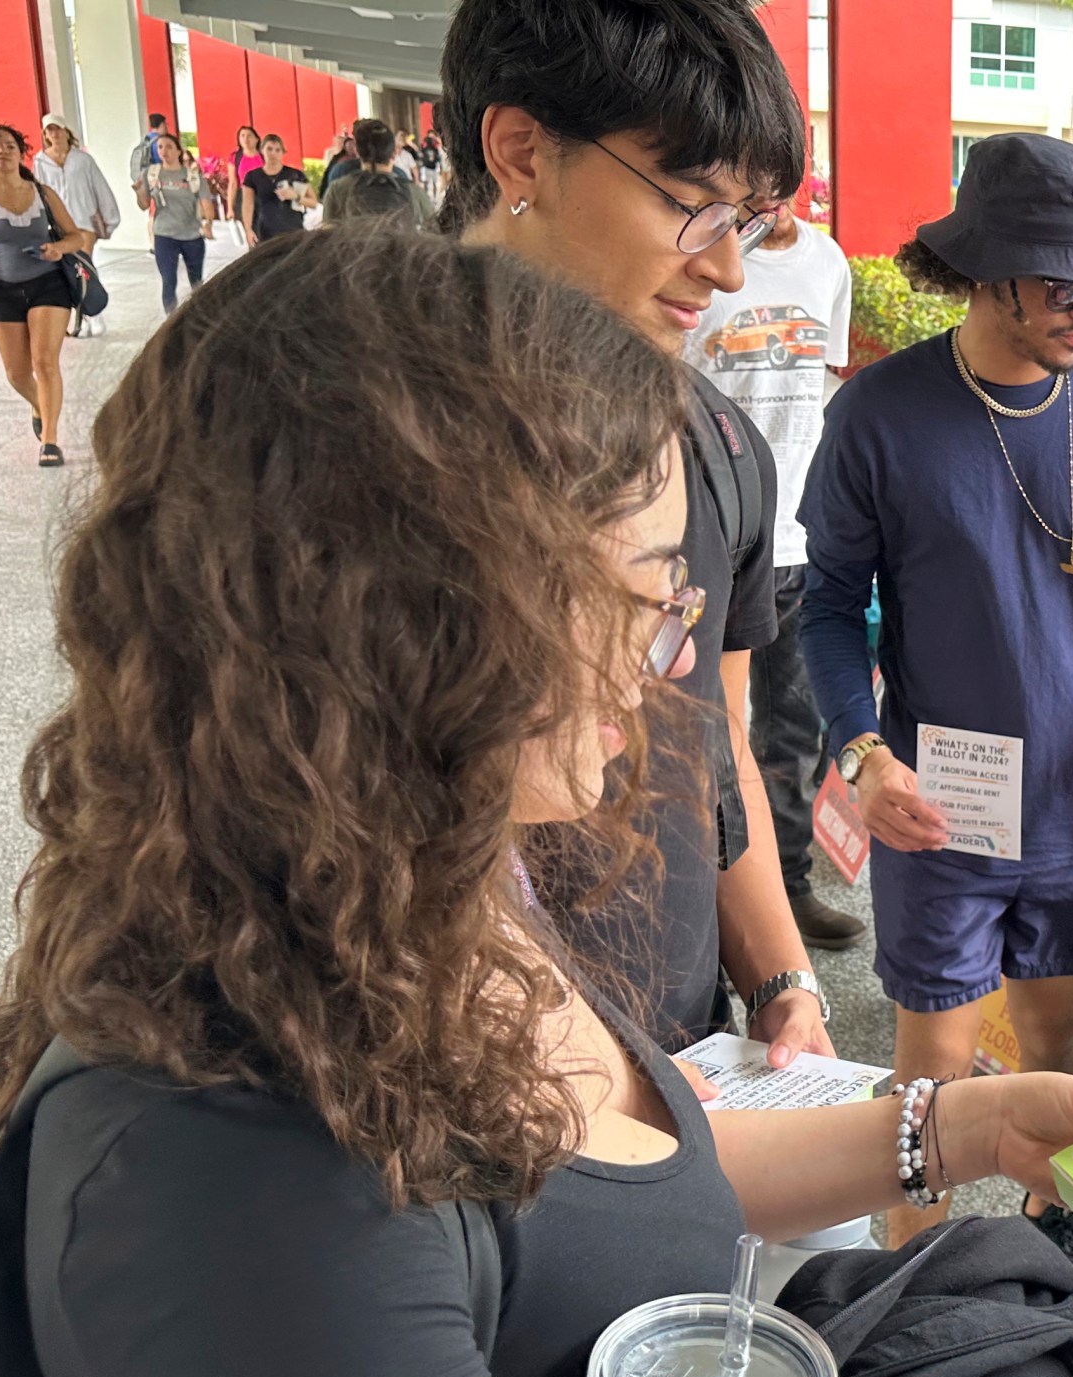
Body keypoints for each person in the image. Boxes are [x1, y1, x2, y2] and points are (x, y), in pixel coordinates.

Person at [0, 224, 1073, 1377]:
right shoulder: (239, 1189)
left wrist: (966, 1128)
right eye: (642, 595)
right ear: (409, 615)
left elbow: (620, 1167)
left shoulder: (408, 880)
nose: (668, 658)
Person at [800, 133, 1073, 1270]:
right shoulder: (879, 416)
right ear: (987, 273)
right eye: (1062, 281)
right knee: (927, 1087)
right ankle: (904, 1285)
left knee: (1055, 1045)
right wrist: (861, 753)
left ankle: (1049, 1255)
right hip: (942, 814)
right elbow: (828, 607)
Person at [437, 0, 834, 1064]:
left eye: (745, 219)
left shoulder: (715, 447)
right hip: (428, 1087)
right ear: (522, 150)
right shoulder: (341, 438)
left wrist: (782, 977)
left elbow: (712, 739)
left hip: (678, 1061)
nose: (728, 268)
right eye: (693, 205)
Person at [688, 194, 865, 949]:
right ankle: (703, 901)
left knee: (794, 736)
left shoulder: (828, 264)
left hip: (802, 537)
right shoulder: (697, 262)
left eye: (781, 185)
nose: (770, 206)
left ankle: (786, 890)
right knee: (703, 730)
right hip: (717, 538)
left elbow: (825, 384)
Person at [0, 122, 88, 466]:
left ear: (21, 152)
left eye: (10, 146)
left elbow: (77, 236)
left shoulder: (42, 193)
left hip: (49, 285)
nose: (3, 151)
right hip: (3, 290)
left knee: (44, 363)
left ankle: (50, 441)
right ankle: (39, 404)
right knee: (16, 373)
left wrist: (57, 248)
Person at [34, 114, 121, 338]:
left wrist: (109, 217)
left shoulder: (83, 160)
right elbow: (39, 194)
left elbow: (99, 187)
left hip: (84, 222)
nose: (54, 134)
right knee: (68, 273)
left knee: (83, 268)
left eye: (57, 129)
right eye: (49, 130)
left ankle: (93, 313)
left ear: (65, 131)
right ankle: (83, 317)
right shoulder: (40, 162)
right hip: (59, 227)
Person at [142, 132, 214, 312]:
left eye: (168, 147)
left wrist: (208, 223)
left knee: (196, 280)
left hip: (191, 234)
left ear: (178, 151)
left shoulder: (193, 176)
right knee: (168, 279)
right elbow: (143, 204)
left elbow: (206, 202)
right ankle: (171, 320)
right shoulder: (152, 174)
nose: (163, 151)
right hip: (164, 234)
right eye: (160, 147)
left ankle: (199, 314)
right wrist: (138, 191)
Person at [322, 118, 434, 230]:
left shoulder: (338, 188)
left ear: (358, 152)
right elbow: (432, 230)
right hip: (401, 246)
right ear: (394, 153)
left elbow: (328, 234)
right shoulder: (412, 190)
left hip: (354, 247)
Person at [238, 133, 312, 243]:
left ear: (282, 152)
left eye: (277, 150)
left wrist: (296, 196)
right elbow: (247, 205)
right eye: (269, 149)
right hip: (263, 230)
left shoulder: (295, 174)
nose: (273, 153)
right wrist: (248, 230)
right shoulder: (253, 176)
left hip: (292, 230)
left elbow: (313, 202)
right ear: (262, 150)